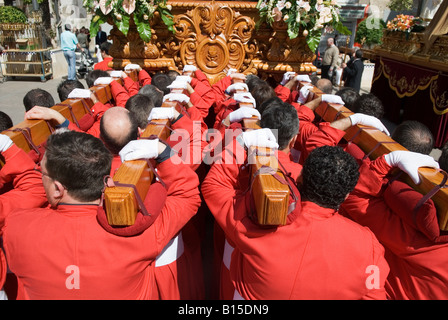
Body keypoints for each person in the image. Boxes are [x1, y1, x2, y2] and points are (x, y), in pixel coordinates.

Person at [1, 129, 201, 299]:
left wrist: (10, 151)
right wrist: (164, 152)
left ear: (57, 188)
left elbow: (27, 191)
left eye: (41, 173)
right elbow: (188, 196)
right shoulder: (140, 233)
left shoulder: (17, 228)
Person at [201, 128, 390, 299]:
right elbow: (374, 293)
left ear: (299, 177)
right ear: (347, 195)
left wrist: (240, 142)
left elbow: (214, 186)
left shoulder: (260, 219)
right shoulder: (367, 246)